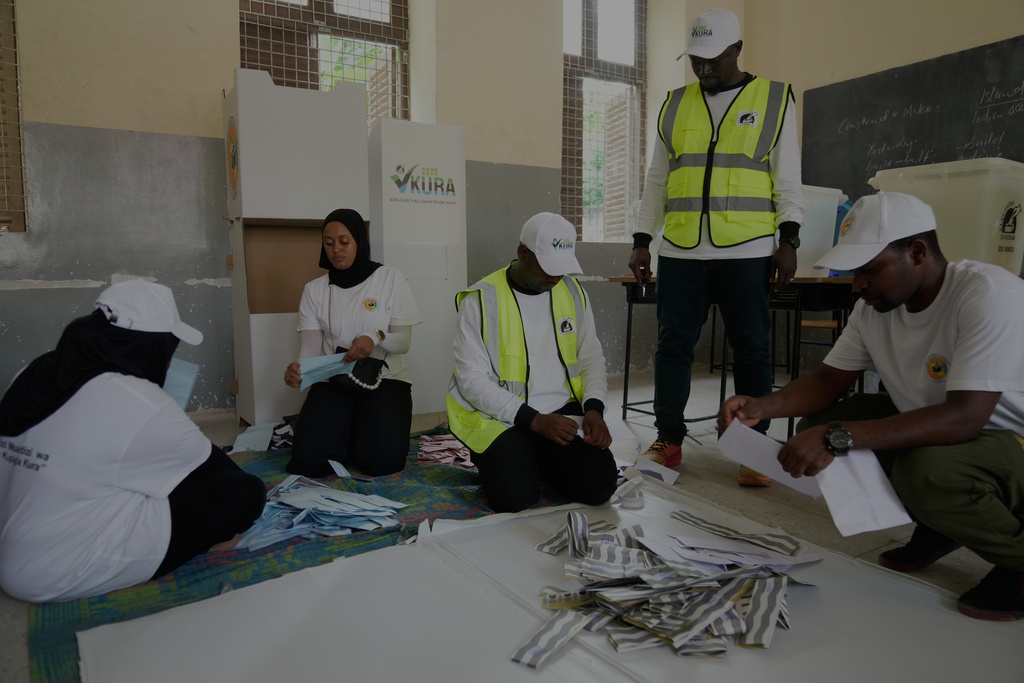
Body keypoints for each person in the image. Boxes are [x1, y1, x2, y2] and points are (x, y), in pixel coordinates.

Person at [718, 192, 1024, 621]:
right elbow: (828, 382)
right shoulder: (875, 309)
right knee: (822, 420)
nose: (857, 284)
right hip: (964, 435)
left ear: (916, 252)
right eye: (853, 271)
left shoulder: (987, 295)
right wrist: (760, 407)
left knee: (924, 471)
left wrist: (837, 438)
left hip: (1009, 441)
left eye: (869, 269)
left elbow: (965, 416)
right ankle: (940, 524)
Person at [0, 280, 266, 603]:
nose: (169, 363)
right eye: (168, 350)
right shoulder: (138, 400)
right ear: (147, 347)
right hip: (55, 569)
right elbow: (221, 473)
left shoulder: (34, 370)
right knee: (245, 493)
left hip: (14, 543)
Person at [629, 8, 804, 486]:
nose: (704, 69)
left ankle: (754, 446)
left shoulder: (773, 98)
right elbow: (656, 181)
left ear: (737, 51)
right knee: (672, 347)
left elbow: (787, 178)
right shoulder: (675, 103)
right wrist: (643, 240)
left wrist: (788, 239)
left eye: (712, 60)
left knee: (752, 349)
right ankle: (668, 439)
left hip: (746, 249)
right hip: (682, 250)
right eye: (695, 61)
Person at [447, 212, 619, 513]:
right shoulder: (480, 300)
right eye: (547, 267)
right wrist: (534, 420)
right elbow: (471, 381)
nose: (555, 278)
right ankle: (521, 458)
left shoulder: (573, 293)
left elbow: (591, 356)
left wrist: (594, 408)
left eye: (562, 269)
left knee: (600, 487)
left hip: (560, 412)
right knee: (514, 498)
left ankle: (538, 458)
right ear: (522, 253)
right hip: (501, 418)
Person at [284, 208, 422, 478]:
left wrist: (375, 337)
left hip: (385, 377)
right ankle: (346, 429)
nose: (336, 249)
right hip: (334, 377)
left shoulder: (389, 278)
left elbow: (403, 342)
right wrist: (299, 372)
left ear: (359, 241)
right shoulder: (314, 290)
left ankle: (355, 430)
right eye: (329, 242)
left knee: (381, 462)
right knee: (308, 462)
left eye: (344, 241)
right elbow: (310, 351)